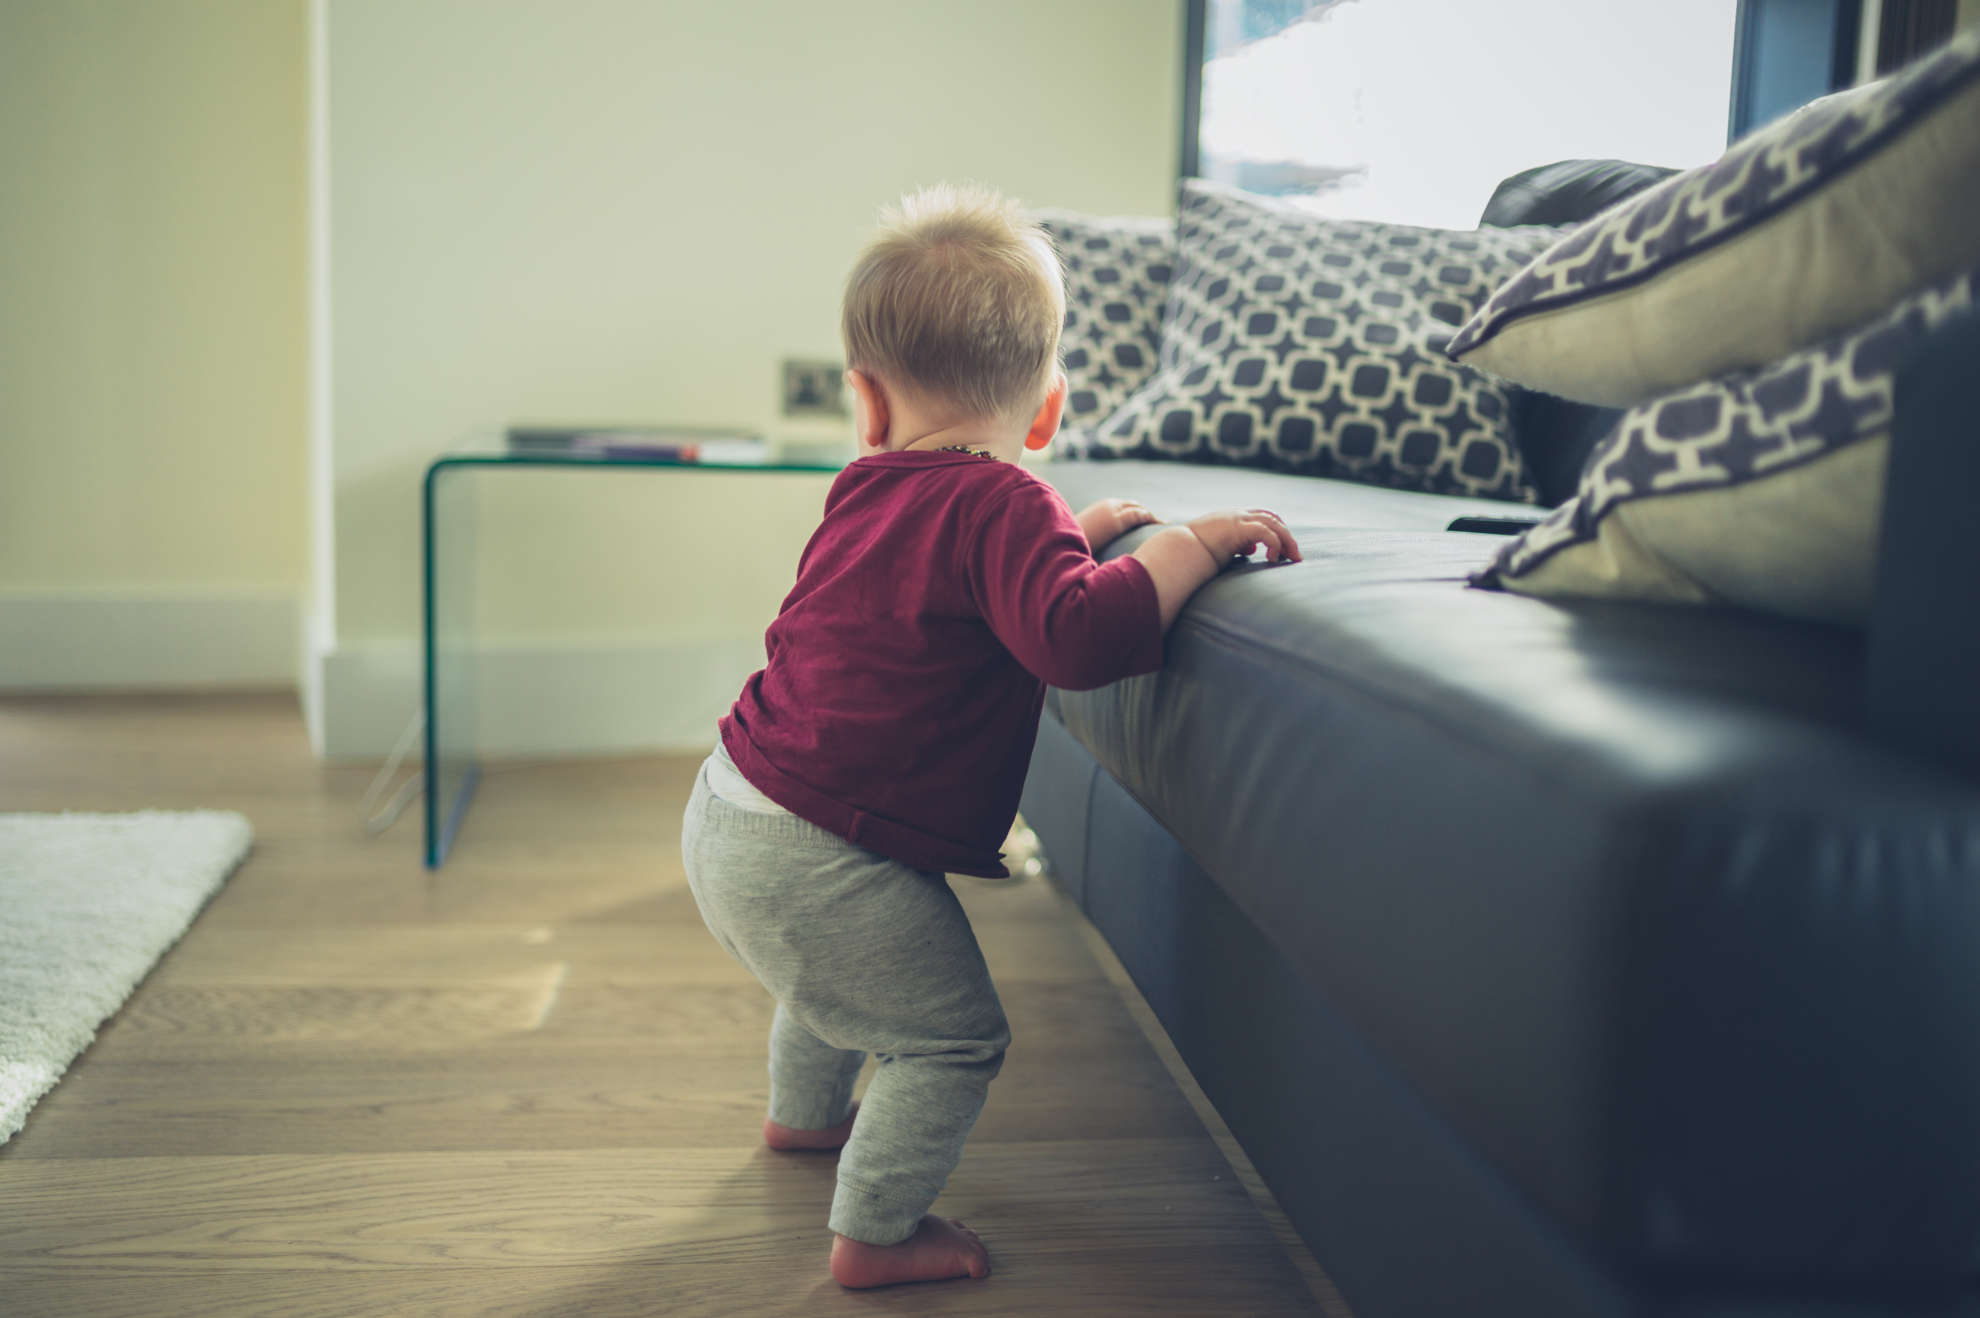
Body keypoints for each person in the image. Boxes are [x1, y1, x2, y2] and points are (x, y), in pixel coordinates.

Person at [681, 182, 1300, 1290]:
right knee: (950, 1036)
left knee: (832, 981)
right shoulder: (1005, 506)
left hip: (733, 806)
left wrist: (1075, 532)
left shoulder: (866, 488)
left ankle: (803, 1119)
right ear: (1047, 413)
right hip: (823, 855)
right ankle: (875, 1231)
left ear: (866, 405)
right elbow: (1075, 635)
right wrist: (1186, 548)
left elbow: (994, 583)